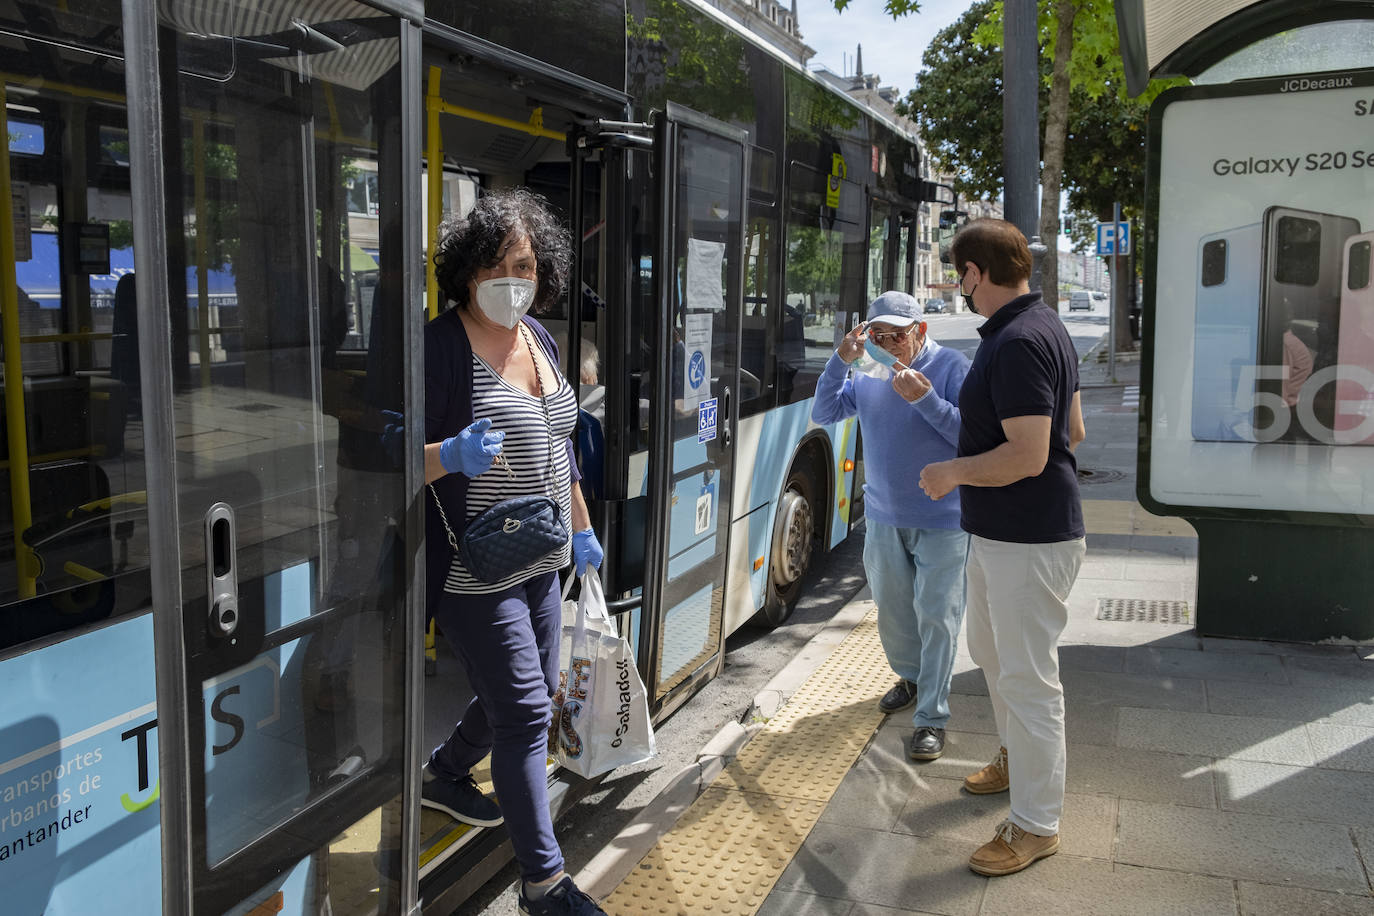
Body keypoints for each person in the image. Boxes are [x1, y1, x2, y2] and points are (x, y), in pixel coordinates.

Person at [423, 188, 608, 916]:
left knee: (519, 696)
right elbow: (379, 456)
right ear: (468, 272)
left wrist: (582, 530)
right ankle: (545, 885)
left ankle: (444, 772)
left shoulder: (540, 337)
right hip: (474, 568)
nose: (514, 278)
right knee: (529, 715)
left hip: (542, 559)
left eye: (526, 264)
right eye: (499, 265)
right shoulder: (440, 347)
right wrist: (447, 454)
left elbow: (561, 446)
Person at [918, 218, 1086, 878]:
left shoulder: (1017, 341)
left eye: (959, 271)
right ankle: (1018, 758)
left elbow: (1030, 452)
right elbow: (1073, 425)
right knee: (993, 656)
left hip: (1029, 536)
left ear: (974, 273)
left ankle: (1037, 826)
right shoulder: (1041, 327)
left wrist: (951, 472)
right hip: (1005, 533)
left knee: (1028, 679)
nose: (958, 283)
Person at [811, 291, 971, 761]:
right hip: (882, 515)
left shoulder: (952, 368)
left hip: (944, 517)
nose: (885, 342)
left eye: (895, 335)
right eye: (876, 333)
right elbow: (824, 413)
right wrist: (841, 361)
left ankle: (932, 718)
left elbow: (970, 437)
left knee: (938, 615)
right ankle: (911, 677)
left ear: (920, 331)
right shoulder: (870, 365)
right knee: (894, 611)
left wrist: (925, 400)